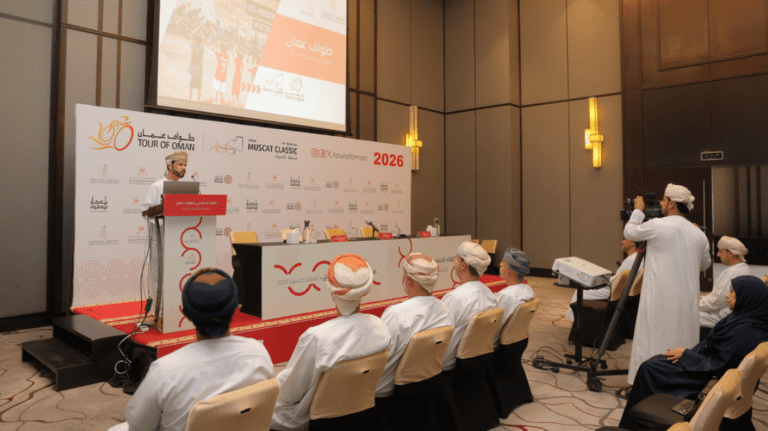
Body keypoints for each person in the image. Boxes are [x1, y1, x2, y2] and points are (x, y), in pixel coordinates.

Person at [108, 268, 274, 431]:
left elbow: (138, 426)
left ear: (185, 313)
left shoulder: (165, 371)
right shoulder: (258, 353)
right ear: (235, 308)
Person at [617, 275, 768, 431]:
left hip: (711, 381)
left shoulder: (744, 332)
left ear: (748, 297)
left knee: (650, 369)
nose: (726, 295)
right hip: (713, 374)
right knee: (655, 364)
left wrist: (687, 356)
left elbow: (718, 366)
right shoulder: (745, 320)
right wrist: (686, 354)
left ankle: (633, 427)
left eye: (732, 292)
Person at [270, 253, 391, 431]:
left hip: (315, 421)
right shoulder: (381, 328)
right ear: (366, 290)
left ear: (332, 290)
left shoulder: (317, 337)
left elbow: (289, 393)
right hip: (364, 416)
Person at [621, 183, 711, 396]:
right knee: (682, 343)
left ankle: (643, 386)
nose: (661, 203)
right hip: (686, 301)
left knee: (651, 340)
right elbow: (704, 265)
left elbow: (630, 232)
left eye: (663, 199)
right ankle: (678, 387)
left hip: (659, 298)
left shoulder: (659, 225)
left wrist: (638, 210)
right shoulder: (698, 234)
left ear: (671, 203)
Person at [375, 253, 453, 398]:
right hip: (430, 385)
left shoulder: (396, 314)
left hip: (390, 394)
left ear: (410, 280)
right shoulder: (445, 310)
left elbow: (380, 360)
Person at [141, 151, 189, 321]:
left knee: (178, 272)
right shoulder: (157, 186)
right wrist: (162, 208)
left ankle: (179, 306)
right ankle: (159, 310)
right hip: (160, 234)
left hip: (179, 236)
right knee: (159, 271)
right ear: (170, 166)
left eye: (185, 165)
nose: (183, 168)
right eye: (180, 164)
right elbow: (146, 210)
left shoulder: (187, 189)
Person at [441, 241, 496, 371]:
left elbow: (440, 340)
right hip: (479, 363)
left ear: (463, 265)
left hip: (451, 368)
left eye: (456, 259)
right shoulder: (489, 294)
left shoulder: (455, 298)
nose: (454, 261)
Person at [566, 238, 639, 320]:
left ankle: (576, 320)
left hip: (614, 291)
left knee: (581, 291)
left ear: (632, 243)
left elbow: (616, 281)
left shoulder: (630, 260)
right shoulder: (637, 257)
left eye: (625, 240)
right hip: (621, 290)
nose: (622, 241)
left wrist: (601, 281)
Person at [699, 236, 751, 328]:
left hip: (722, 317)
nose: (718, 255)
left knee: (685, 313)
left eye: (720, 251)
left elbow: (716, 302)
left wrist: (694, 304)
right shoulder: (744, 268)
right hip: (732, 315)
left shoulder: (732, 272)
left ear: (730, 253)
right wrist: (702, 299)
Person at [494, 247, 536, 348]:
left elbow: (495, 328)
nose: (500, 264)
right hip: (519, 342)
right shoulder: (528, 291)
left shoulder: (506, 296)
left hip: (498, 348)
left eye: (503, 262)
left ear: (509, 269)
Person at [188, 30, 204, 101]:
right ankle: (198, 101)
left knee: (191, 87)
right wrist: (201, 32)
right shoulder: (201, 48)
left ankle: (189, 99)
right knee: (199, 88)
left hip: (193, 71)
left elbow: (192, 36)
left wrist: (197, 29)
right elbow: (203, 40)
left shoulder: (193, 48)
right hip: (199, 72)